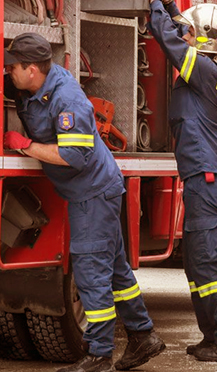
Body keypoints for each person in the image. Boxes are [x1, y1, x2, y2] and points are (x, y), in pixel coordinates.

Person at [3, 33, 165, 372]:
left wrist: (26, 146)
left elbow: (74, 156)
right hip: (96, 191)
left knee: (91, 273)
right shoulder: (35, 85)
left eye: (13, 67)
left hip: (92, 193)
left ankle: (99, 356)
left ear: (32, 69)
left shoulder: (67, 100)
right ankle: (143, 337)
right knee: (117, 271)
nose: (9, 72)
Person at [147, 0, 217, 362]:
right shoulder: (214, 70)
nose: (187, 35)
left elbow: (170, 41)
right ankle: (214, 336)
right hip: (209, 177)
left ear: (203, 42)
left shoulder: (203, 71)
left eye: (194, 33)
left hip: (208, 177)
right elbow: (183, 34)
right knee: (199, 262)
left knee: (209, 262)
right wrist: (172, 4)